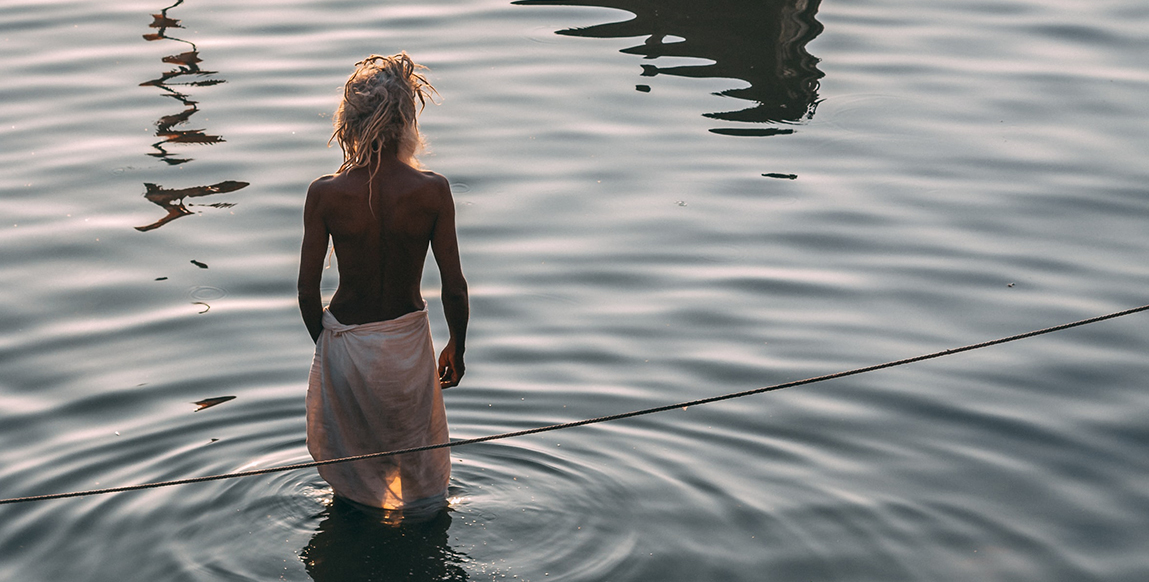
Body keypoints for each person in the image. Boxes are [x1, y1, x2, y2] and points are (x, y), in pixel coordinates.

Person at [297, 53, 468, 510]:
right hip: (407, 344)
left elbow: (306, 290)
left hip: (346, 342)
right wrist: (457, 345)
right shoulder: (432, 190)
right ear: (408, 120)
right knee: (416, 471)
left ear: (350, 122)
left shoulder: (325, 193)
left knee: (354, 470)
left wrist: (330, 342)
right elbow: (454, 285)